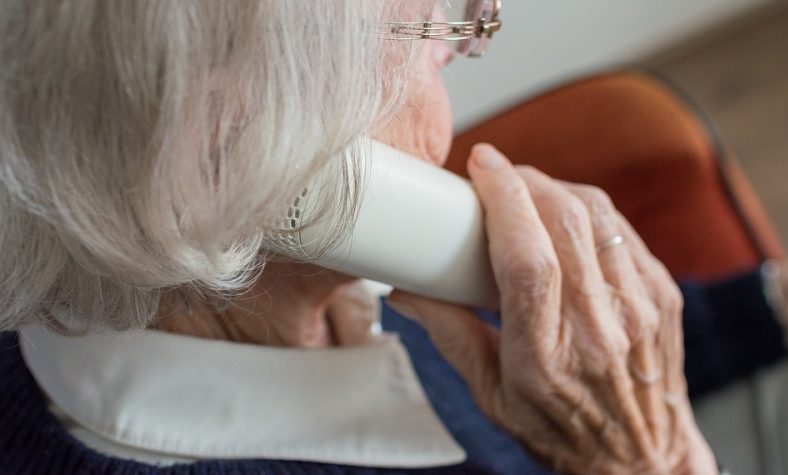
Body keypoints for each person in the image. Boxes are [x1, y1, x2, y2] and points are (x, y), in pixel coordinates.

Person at [0, 1, 720, 473]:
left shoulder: (314, 267)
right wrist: (647, 455)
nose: (472, 36)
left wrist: (765, 305)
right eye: (432, 20)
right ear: (225, 150)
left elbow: (564, 355)